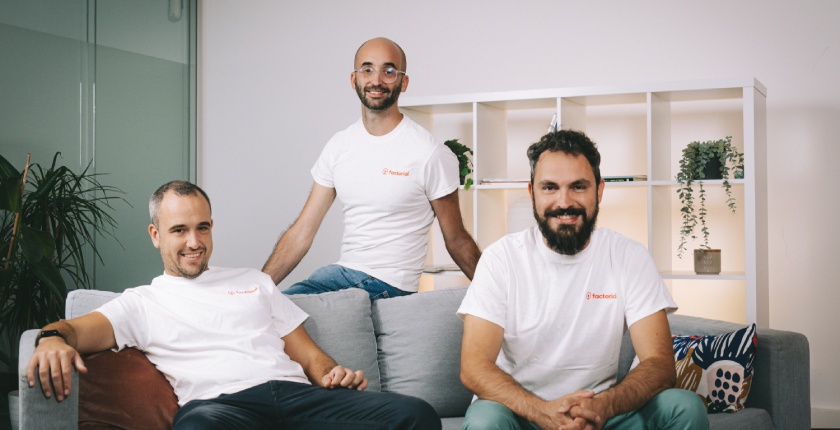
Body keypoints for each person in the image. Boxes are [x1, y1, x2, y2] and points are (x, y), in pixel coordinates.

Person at [26, 180, 440, 430]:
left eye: (202, 227)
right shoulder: (141, 302)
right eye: (179, 230)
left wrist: (333, 374)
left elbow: (311, 357)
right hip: (221, 409)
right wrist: (50, 340)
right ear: (155, 235)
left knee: (416, 414)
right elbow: (72, 330)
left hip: (296, 398)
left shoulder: (254, 281)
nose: (194, 242)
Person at [457, 130, 708, 430]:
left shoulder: (628, 256)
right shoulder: (500, 259)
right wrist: (543, 413)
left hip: (601, 415)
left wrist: (602, 406)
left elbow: (659, 364)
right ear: (532, 192)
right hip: (522, 415)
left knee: (685, 408)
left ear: (599, 190)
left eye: (578, 186)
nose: (564, 202)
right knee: (485, 421)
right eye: (550, 187)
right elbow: (474, 367)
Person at [262, 37, 481, 300]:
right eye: (367, 69)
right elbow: (302, 232)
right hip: (342, 276)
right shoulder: (339, 146)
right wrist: (258, 287)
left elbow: (456, 239)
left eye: (388, 71)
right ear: (353, 79)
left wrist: (502, 296)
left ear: (403, 82)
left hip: (389, 285)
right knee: (270, 307)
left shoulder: (429, 153)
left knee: (287, 310)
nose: (376, 80)